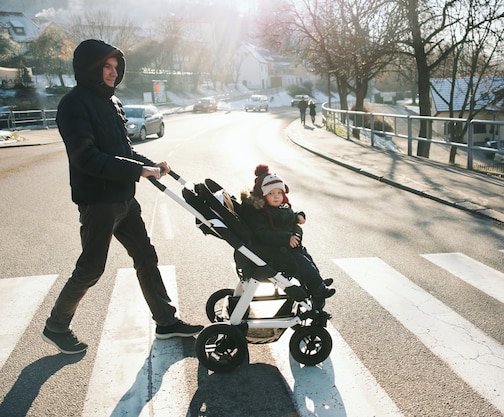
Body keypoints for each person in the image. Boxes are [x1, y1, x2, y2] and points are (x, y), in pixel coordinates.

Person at [42, 39, 203, 355]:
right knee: (91, 269)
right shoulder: (73, 104)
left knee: (146, 256)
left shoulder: (112, 103)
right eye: (106, 66)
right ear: (90, 68)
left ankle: (167, 321)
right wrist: (136, 171)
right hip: (98, 203)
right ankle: (56, 326)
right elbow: (86, 157)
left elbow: (123, 151)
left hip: (124, 199)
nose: (114, 72)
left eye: (116, 67)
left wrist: (149, 165)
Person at [240, 164, 335, 299]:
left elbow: (288, 218)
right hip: (276, 250)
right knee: (302, 262)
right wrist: (286, 238)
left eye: (279, 192)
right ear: (263, 195)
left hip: (285, 246)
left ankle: (317, 281)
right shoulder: (261, 213)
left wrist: (299, 216)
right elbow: (262, 234)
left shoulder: (278, 208)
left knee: (307, 258)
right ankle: (319, 289)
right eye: (271, 193)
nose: (276, 197)